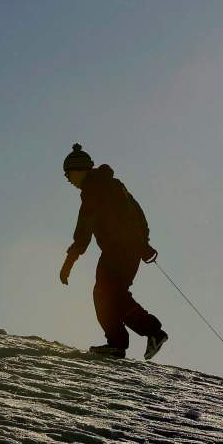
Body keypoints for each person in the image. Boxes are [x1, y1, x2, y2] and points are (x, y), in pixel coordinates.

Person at [59, 143, 168, 360]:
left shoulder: (94, 191)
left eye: (68, 174)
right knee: (114, 295)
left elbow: (83, 234)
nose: (68, 179)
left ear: (79, 170)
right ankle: (144, 335)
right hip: (129, 250)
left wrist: (68, 263)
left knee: (104, 294)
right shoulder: (113, 185)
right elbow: (137, 214)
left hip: (118, 250)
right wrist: (142, 243)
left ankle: (129, 339)